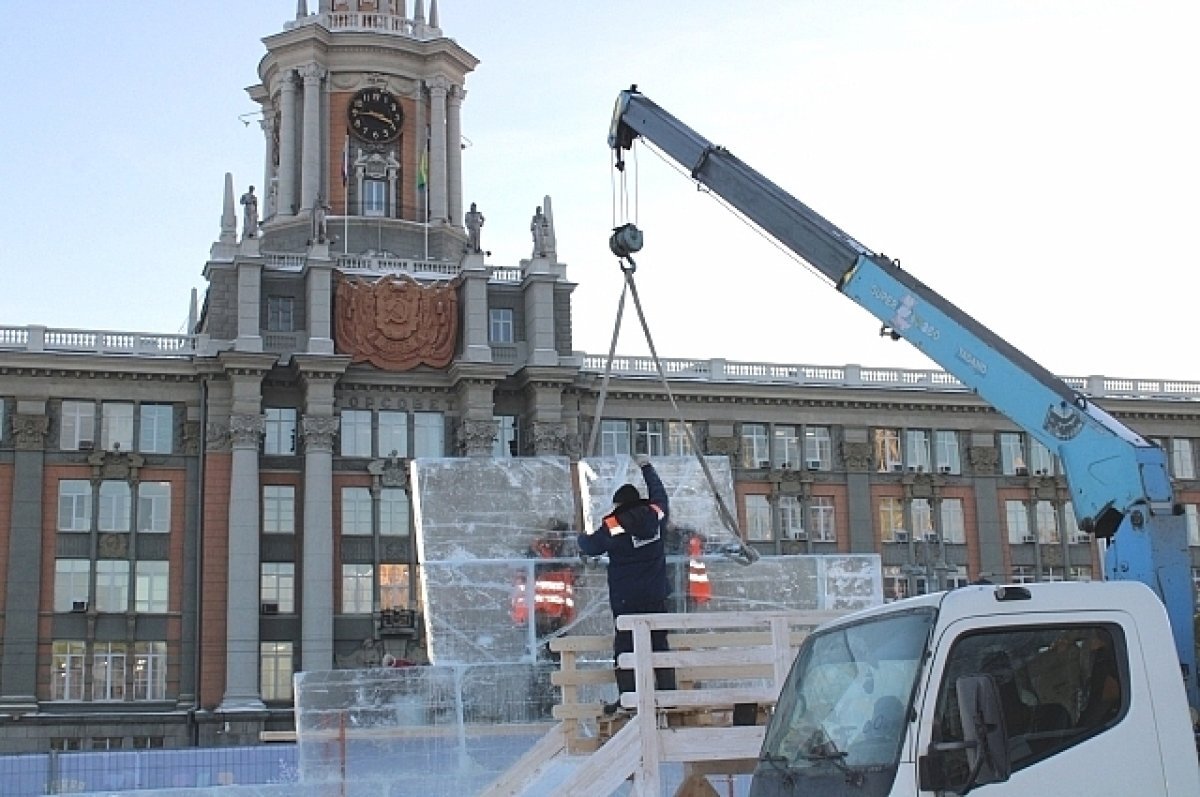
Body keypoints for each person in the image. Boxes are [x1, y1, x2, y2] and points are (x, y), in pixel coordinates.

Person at [578, 455, 676, 712]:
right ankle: (668, 697)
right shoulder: (655, 517)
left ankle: (629, 700)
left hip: (626, 600)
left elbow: (592, 546)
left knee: (625, 649)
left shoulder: (614, 526)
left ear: (619, 504)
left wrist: (580, 538)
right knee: (659, 646)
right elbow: (660, 494)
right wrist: (646, 467)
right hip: (655, 596)